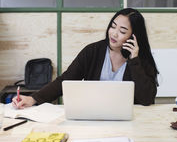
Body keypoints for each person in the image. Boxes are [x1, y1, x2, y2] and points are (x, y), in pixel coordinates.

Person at [12, 8, 159, 109]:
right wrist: (33, 99)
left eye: (122, 31)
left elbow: (146, 99)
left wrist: (134, 61)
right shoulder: (93, 51)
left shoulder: (140, 60)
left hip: (128, 120)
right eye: (113, 27)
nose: (114, 34)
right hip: (93, 114)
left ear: (133, 37)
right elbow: (65, 80)